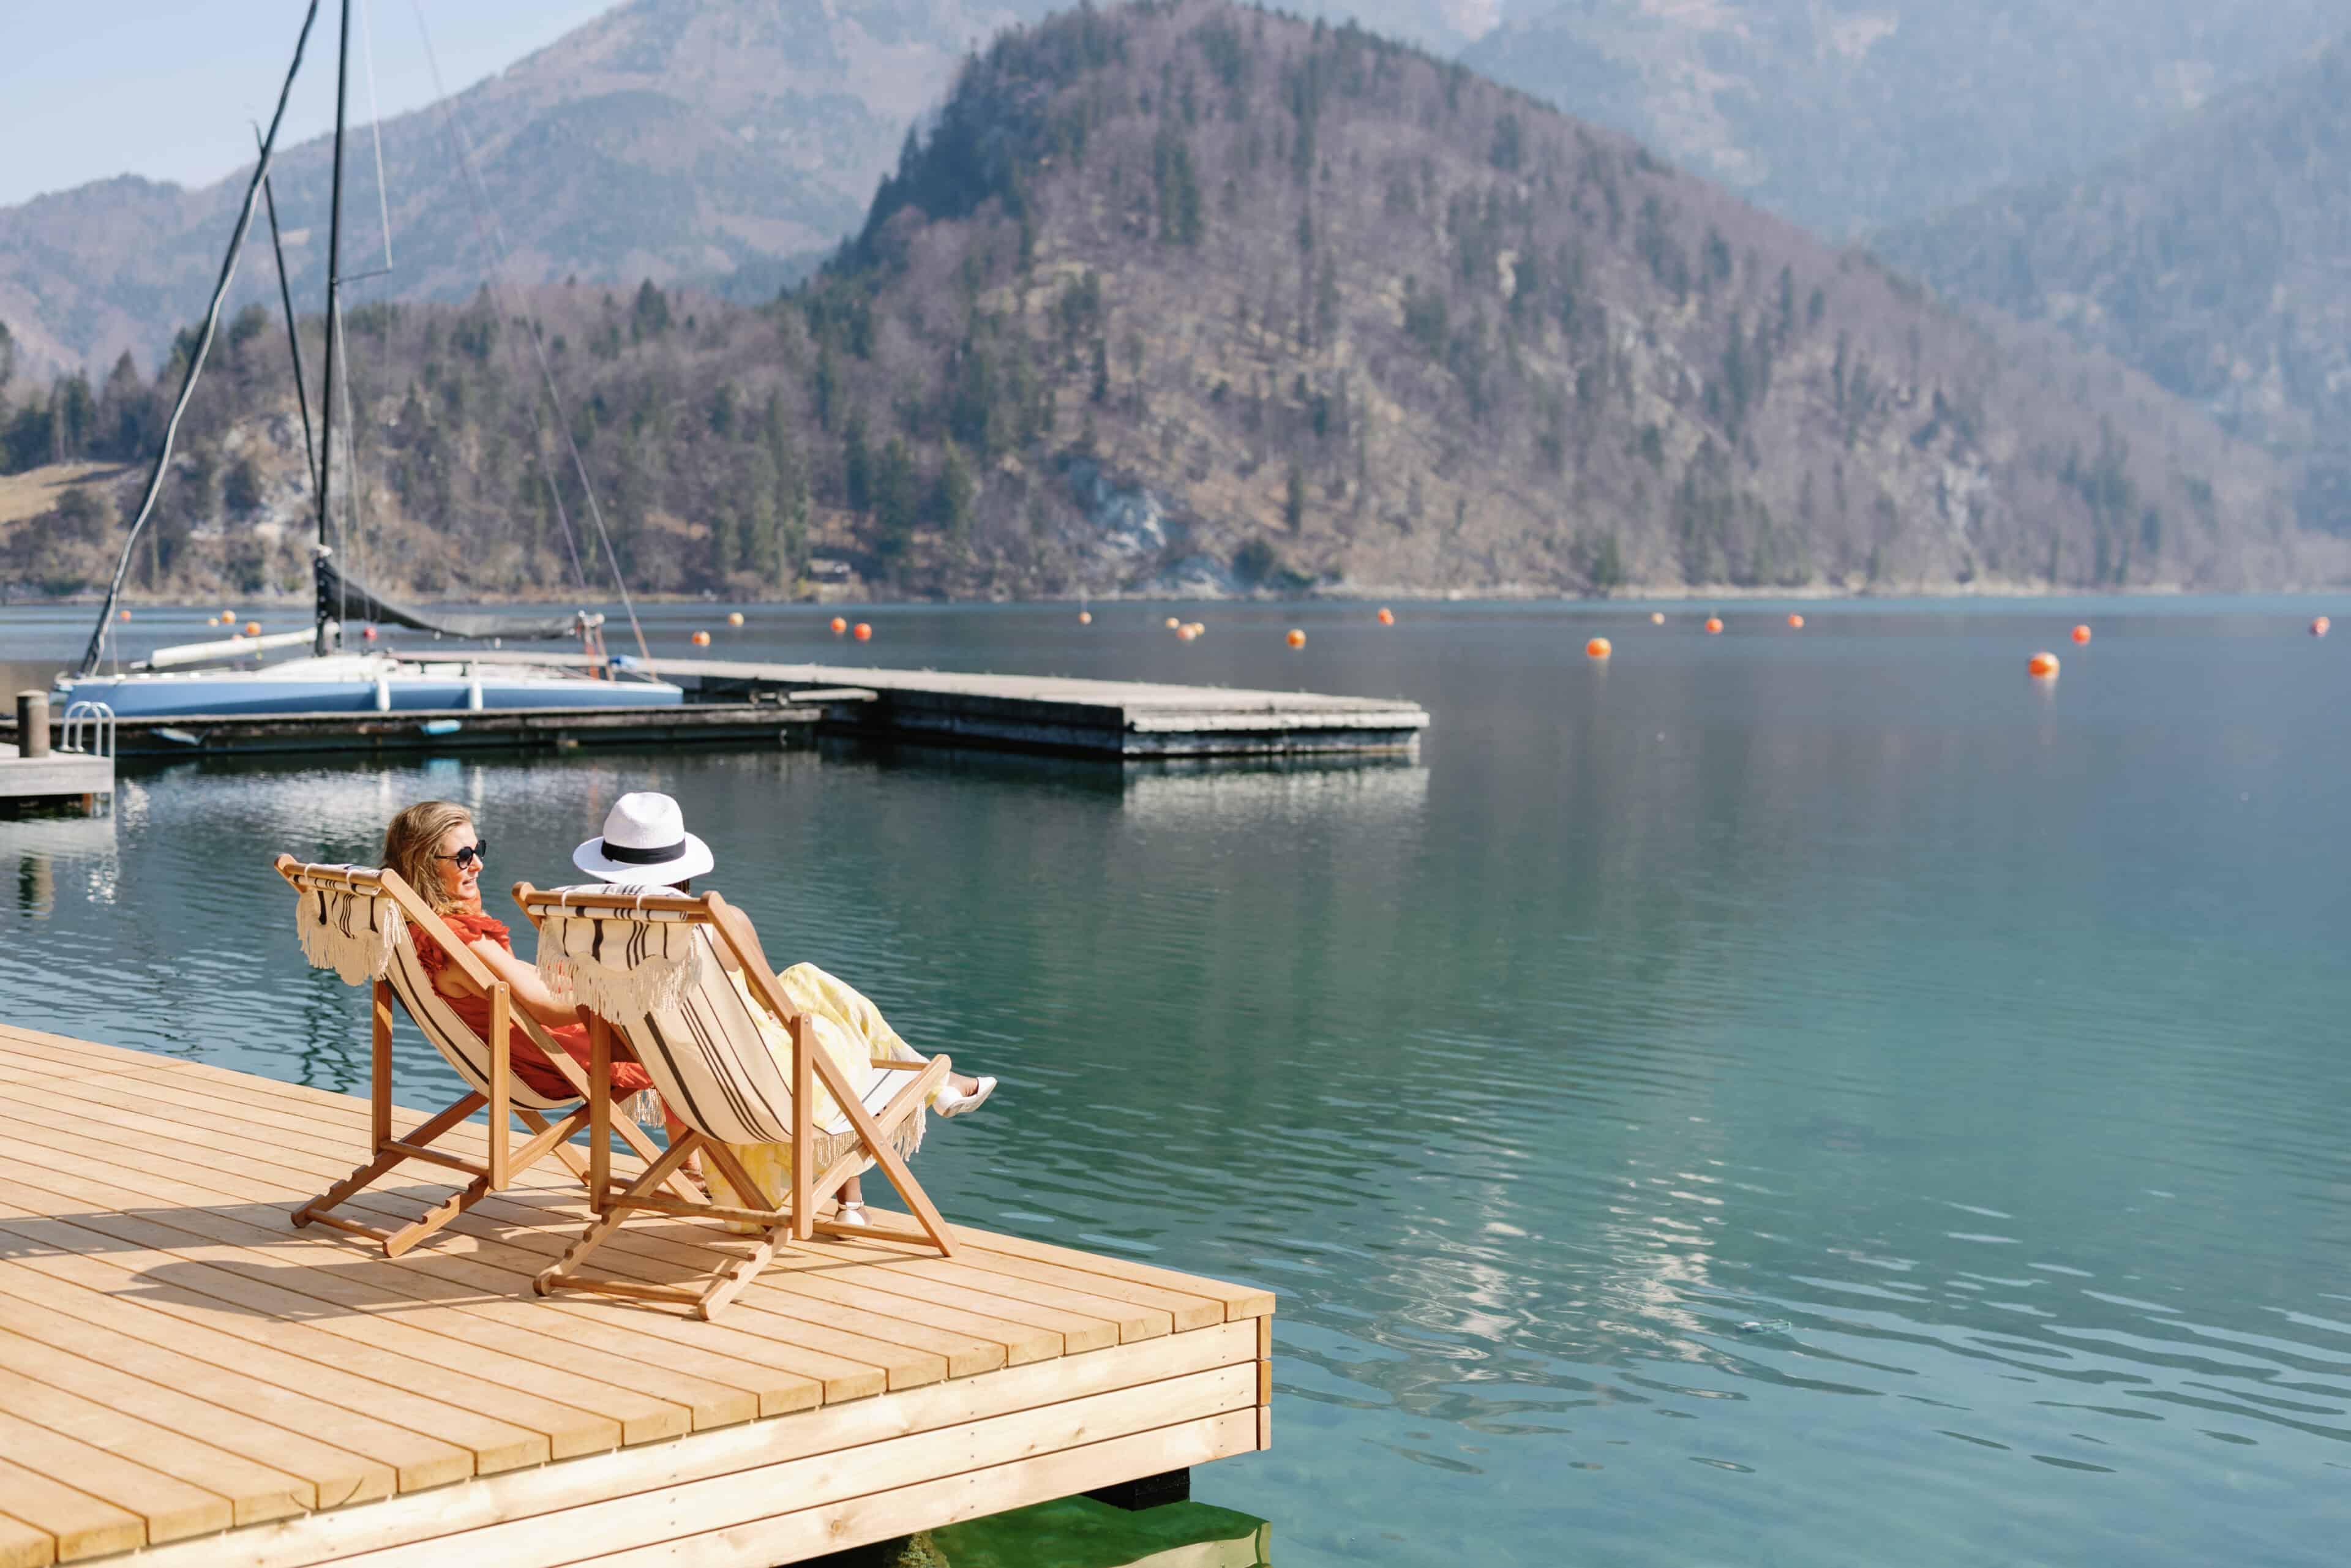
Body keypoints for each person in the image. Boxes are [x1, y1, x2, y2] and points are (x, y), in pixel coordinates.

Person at [570, 792, 995, 1231]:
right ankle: (929, 1087)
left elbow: (602, 1030)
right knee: (826, 1011)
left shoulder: (587, 945)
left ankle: (922, 1102)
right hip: (772, 1084)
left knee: (807, 980)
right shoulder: (719, 925)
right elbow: (778, 1006)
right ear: (681, 874)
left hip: (695, 1091)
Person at [378, 799, 658, 1105]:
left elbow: (519, 976)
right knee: (678, 1052)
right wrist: (629, 995)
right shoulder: (458, 941)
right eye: (463, 857)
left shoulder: (418, 929)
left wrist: (585, 983)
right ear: (424, 864)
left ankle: (687, 1155)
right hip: (542, 1062)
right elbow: (544, 1008)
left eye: (478, 850)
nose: (478, 865)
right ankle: (687, 1155)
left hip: (508, 1056)